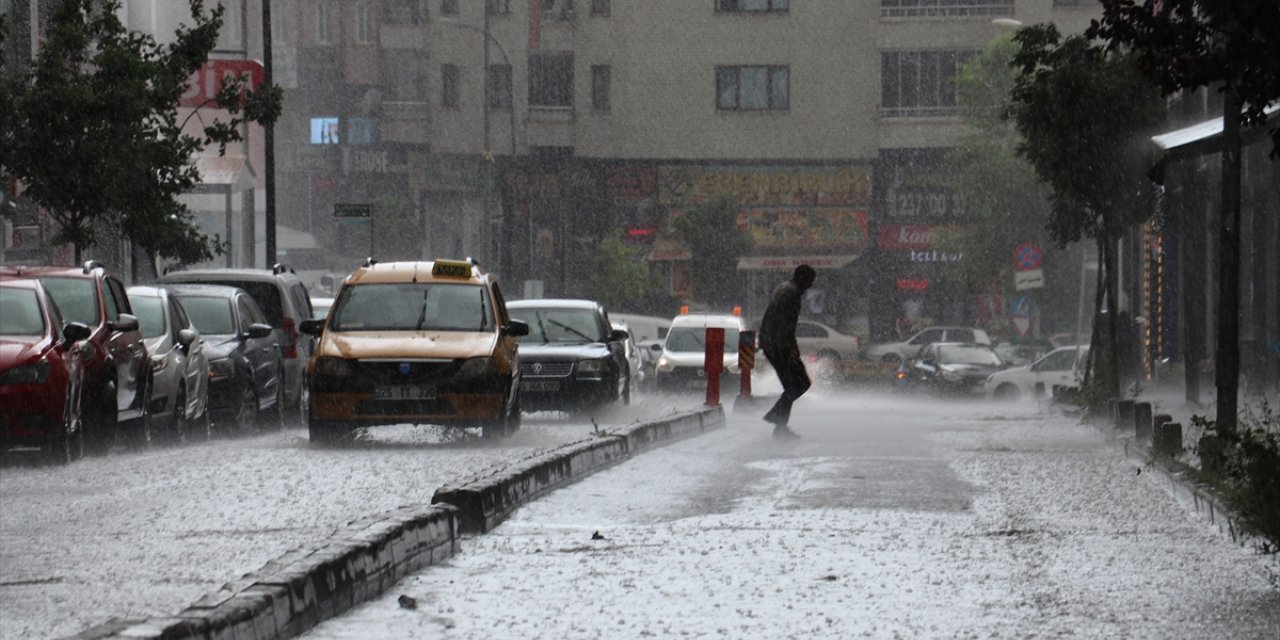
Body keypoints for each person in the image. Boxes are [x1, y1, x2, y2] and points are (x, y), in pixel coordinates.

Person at [759, 264, 816, 439]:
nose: (810, 286)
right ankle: (777, 420)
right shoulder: (791, 293)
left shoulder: (784, 288)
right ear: (801, 278)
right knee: (799, 384)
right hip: (778, 346)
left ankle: (779, 423)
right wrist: (791, 347)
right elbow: (786, 323)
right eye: (809, 282)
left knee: (795, 385)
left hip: (772, 343)